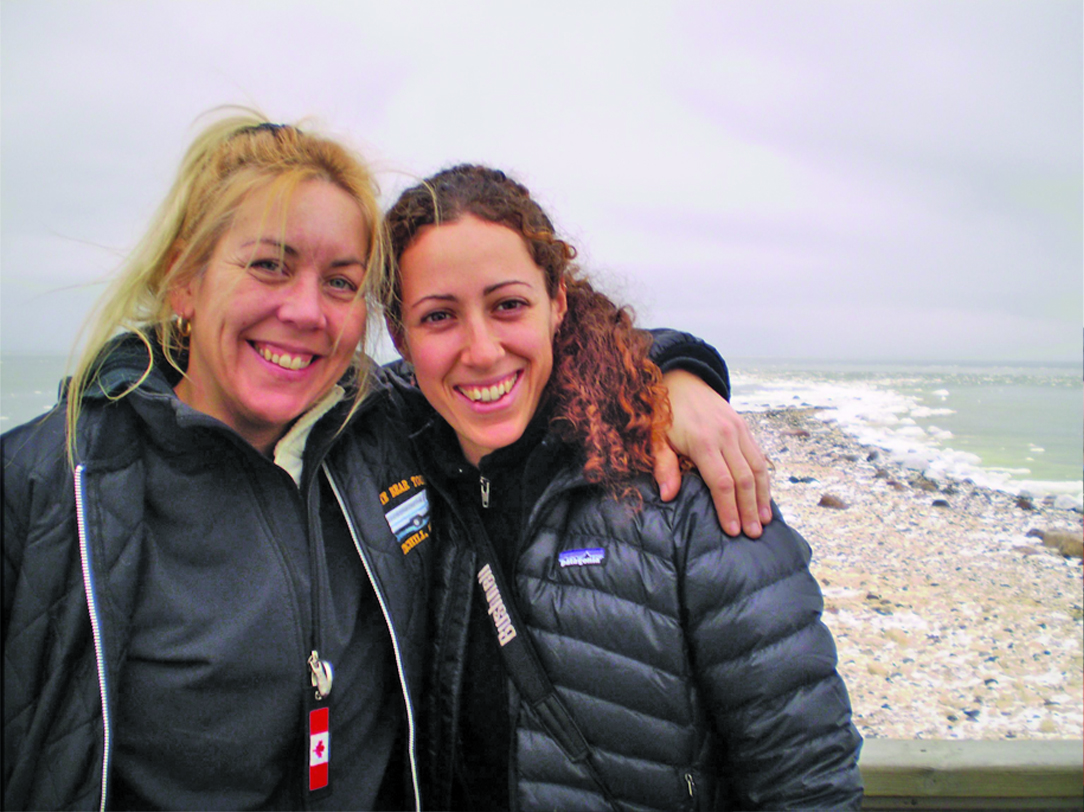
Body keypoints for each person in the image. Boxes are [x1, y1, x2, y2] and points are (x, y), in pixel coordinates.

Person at [2, 113, 769, 811]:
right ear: (184, 281)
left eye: (340, 281)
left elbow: (505, 361)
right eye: (269, 265)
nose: (306, 311)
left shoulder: (374, 433)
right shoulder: (52, 487)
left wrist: (673, 374)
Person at [384, 164, 864, 811]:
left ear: (557, 302)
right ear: (400, 336)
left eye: (508, 305)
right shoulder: (386, 463)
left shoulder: (682, 484)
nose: (482, 350)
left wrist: (675, 372)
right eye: (439, 316)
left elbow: (804, 772)